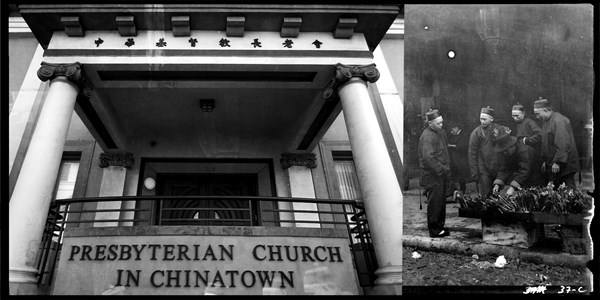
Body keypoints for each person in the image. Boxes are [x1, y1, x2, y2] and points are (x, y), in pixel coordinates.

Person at [534, 97, 580, 190]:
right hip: (555, 163)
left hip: (565, 164)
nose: (537, 117)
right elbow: (545, 143)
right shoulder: (546, 122)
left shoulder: (559, 120)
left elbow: (563, 143)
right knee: (558, 195)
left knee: (569, 193)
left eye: (538, 114)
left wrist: (558, 162)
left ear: (546, 110)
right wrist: (544, 160)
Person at [418, 109, 451, 237]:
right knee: (435, 203)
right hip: (432, 176)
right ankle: (434, 230)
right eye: (438, 123)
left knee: (441, 202)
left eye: (442, 123)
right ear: (430, 123)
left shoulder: (439, 133)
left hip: (439, 174)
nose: (441, 125)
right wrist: (441, 169)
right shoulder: (427, 136)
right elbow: (428, 158)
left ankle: (439, 227)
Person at [491, 126, 544, 196]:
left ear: (512, 145)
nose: (505, 153)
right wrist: (497, 184)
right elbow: (505, 169)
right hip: (526, 179)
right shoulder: (508, 153)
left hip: (537, 177)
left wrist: (512, 188)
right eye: (503, 151)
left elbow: (525, 170)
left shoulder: (524, 151)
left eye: (506, 150)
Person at [468, 106, 504, 197]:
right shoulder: (476, 133)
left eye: (484, 119)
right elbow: (472, 154)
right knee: (486, 195)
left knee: (496, 195)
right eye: (481, 119)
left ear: (491, 119)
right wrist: (475, 173)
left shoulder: (498, 129)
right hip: (483, 169)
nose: (482, 121)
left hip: (496, 167)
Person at [447, 124, 470, 196]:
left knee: (461, 177)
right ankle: (453, 191)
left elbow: (465, 146)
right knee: (453, 176)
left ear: (457, 127)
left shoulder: (464, 135)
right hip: (453, 159)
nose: (451, 131)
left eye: (452, 129)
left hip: (461, 160)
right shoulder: (452, 136)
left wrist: (453, 146)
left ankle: (462, 190)